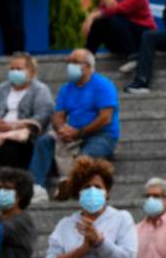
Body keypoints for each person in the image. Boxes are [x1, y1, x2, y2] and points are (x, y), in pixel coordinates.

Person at [30, 49, 119, 192]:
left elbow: (105, 118)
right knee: (44, 142)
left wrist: (79, 133)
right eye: (69, 62)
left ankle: (69, 186)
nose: (70, 65)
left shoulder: (103, 85)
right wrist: (61, 129)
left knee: (85, 157)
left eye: (75, 62)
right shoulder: (67, 88)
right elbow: (58, 115)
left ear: (88, 66)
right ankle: (35, 187)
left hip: (101, 134)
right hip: (72, 132)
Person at [0, 53, 54, 194]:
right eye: (12, 68)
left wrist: (14, 126)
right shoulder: (1, 88)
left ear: (31, 71)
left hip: (24, 137)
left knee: (9, 148)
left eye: (19, 69)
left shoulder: (40, 90)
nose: (15, 72)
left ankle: (7, 188)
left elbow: (43, 116)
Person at [82, 0, 155, 70]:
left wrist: (95, 14)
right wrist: (92, 18)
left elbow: (122, 9)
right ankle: (86, 57)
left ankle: (134, 57)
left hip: (141, 34)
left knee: (114, 17)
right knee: (99, 23)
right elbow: (103, 11)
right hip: (120, 36)